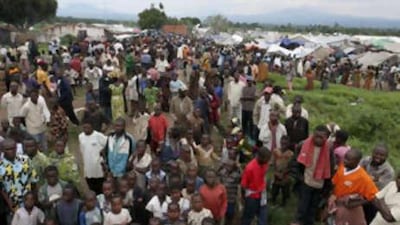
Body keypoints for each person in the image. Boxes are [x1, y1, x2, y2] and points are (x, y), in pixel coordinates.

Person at [291, 125, 334, 225]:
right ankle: (298, 221)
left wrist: (328, 185)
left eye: (321, 137)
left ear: (326, 138)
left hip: (320, 183)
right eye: (316, 136)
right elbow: (295, 162)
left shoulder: (329, 149)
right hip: (306, 180)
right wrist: (299, 177)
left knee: (313, 206)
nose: (318, 139)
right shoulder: (303, 144)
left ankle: (309, 222)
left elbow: (331, 167)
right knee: (302, 205)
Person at [328, 149, 380, 225]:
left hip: (350, 208)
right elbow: (335, 181)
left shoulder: (363, 178)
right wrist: (332, 195)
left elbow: (374, 196)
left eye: (348, 160)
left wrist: (356, 203)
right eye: (345, 157)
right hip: (337, 202)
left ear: (357, 161)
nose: (345, 161)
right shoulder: (343, 166)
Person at [360, 143, 395, 224]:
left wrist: (364, 178)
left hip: (374, 199)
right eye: (376, 153)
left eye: (382, 155)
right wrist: (372, 179)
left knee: (368, 219)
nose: (378, 156)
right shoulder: (366, 160)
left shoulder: (388, 171)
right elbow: (357, 172)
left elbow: (378, 188)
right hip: (359, 193)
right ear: (372, 152)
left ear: (386, 157)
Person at [0, 138, 38, 212]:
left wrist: (35, 199)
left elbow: (34, 180)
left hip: (29, 202)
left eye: (14, 148)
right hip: (12, 205)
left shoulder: (25, 160)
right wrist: (9, 204)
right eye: (8, 149)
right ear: (2, 150)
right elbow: (1, 189)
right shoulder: (1, 167)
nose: (12, 151)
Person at [240, 147, 271, 225]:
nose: (267, 161)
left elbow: (264, 175)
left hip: (262, 193)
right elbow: (243, 185)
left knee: (263, 218)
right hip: (252, 196)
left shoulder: (265, 163)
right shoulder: (250, 168)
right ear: (260, 157)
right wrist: (244, 198)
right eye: (266, 159)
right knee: (248, 218)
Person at [79, 121, 107, 195]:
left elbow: (107, 144)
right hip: (88, 168)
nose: (86, 129)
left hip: (98, 168)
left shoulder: (98, 136)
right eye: (84, 127)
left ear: (92, 127)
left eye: (88, 127)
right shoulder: (81, 136)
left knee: (101, 189)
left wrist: (103, 152)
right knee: (92, 188)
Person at [271, 136, 293, 206]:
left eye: (285, 144)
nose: (284, 145)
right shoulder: (276, 151)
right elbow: (273, 162)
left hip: (286, 175)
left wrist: (284, 173)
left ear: (289, 144)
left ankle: (284, 202)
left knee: (285, 189)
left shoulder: (290, 154)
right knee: (275, 188)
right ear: (280, 142)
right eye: (282, 143)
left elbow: (291, 166)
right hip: (276, 174)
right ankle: (273, 199)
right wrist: (275, 172)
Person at [218, 159, 241, 225]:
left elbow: (243, 178)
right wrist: (220, 166)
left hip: (231, 199)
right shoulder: (222, 172)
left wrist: (239, 168)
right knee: (222, 214)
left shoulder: (236, 175)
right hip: (222, 198)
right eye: (227, 165)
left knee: (230, 214)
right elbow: (216, 174)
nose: (228, 167)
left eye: (230, 166)